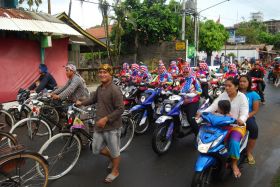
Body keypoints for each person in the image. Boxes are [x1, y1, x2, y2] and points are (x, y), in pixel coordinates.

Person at [76, 64, 124, 183]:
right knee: (96, 149)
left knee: (115, 151)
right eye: (100, 72)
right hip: (99, 125)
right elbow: (93, 99)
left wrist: (106, 119)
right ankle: (112, 159)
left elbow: (120, 109)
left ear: (110, 74)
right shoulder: (100, 88)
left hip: (112, 127)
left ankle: (115, 171)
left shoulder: (114, 90)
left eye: (105, 72)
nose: (102, 74)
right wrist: (81, 103)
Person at [197, 77, 249, 178]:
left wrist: (241, 120)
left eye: (229, 86)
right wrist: (202, 112)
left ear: (236, 86)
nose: (227, 88)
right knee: (208, 135)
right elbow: (213, 106)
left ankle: (234, 164)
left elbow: (244, 112)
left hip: (236, 125)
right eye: (225, 85)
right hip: (220, 123)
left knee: (233, 142)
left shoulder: (242, 97)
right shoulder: (223, 95)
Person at [239, 75, 260, 165]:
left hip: (248, 116)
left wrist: (245, 117)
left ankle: (249, 152)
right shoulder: (234, 92)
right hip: (234, 115)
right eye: (240, 81)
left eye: (244, 81)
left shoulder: (253, 95)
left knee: (254, 129)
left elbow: (255, 110)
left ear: (249, 83)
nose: (242, 83)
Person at [181, 65, 202, 136]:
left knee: (191, 119)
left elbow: (199, 91)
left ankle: (198, 135)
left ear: (190, 72)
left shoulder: (194, 80)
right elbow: (176, 87)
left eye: (187, 72)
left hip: (193, 101)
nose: (185, 73)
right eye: (184, 72)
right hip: (182, 101)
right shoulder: (182, 80)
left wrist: (194, 94)